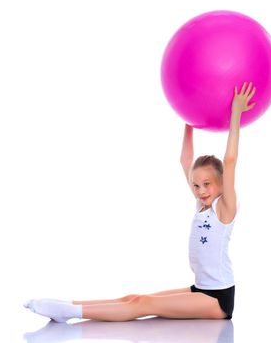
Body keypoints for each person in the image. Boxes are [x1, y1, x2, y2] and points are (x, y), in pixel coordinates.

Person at [24, 82, 256, 322]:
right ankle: (69, 305)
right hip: (200, 289)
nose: (200, 190)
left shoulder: (224, 209)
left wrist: (236, 113)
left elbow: (230, 160)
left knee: (142, 305)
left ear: (220, 183)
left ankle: (73, 313)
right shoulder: (202, 205)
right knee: (134, 297)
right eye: (196, 185)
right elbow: (185, 159)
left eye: (207, 184)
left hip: (217, 298)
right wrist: (188, 120)